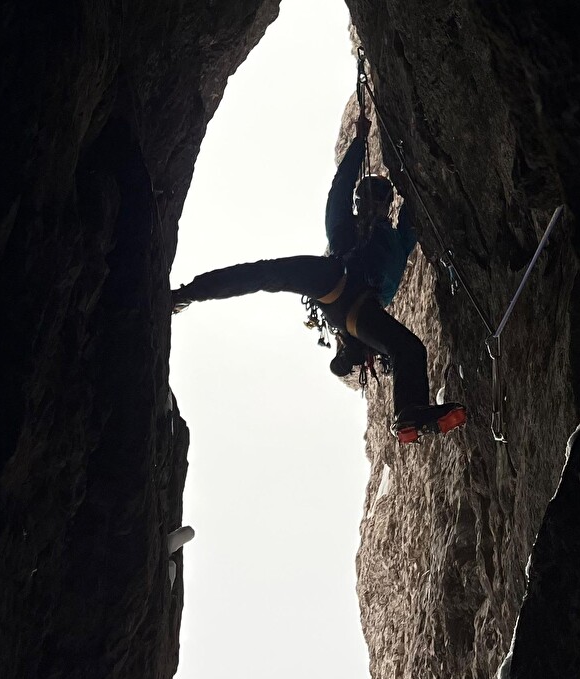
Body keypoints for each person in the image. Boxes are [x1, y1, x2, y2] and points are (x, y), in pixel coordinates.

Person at [171, 116, 466, 443]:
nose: (371, 201)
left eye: (378, 194)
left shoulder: (395, 241)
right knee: (268, 273)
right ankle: (191, 293)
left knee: (410, 349)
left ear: (387, 203)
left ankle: (409, 414)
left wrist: (420, 171)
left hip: (357, 310)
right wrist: (358, 144)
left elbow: (416, 216)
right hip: (335, 281)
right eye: (366, 194)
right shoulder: (345, 228)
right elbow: (340, 191)